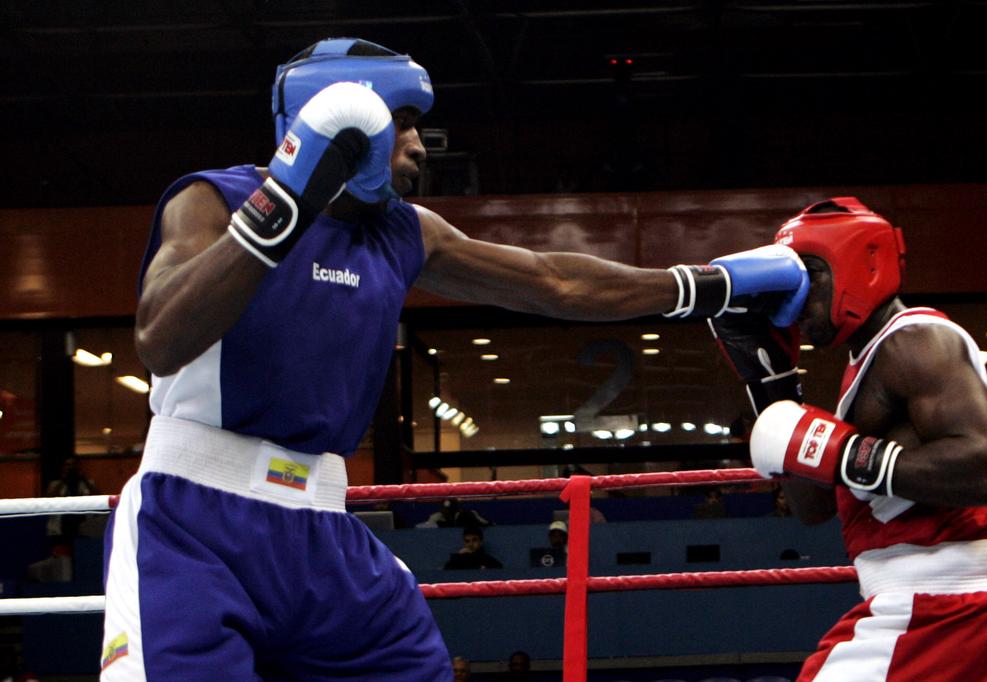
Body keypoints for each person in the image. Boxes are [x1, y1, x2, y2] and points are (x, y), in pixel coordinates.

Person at [102, 36, 812, 679]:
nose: (419, 144)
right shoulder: (212, 200)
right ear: (348, 118)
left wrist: (706, 287)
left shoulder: (404, 233)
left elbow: (554, 280)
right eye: (403, 121)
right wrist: (281, 208)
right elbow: (159, 338)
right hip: (194, 524)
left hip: (322, 529)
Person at [710, 197, 987, 680]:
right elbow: (813, 508)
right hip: (937, 605)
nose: (795, 299)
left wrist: (844, 453)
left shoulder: (916, 341)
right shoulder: (864, 364)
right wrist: (774, 387)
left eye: (810, 275)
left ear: (861, 264)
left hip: (947, 606)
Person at [420, 498, 491, 528]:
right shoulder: (437, 518)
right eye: (445, 510)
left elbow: (486, 524)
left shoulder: (466, 514)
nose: (448, 513)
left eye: (451, 510)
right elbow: (420, 528)